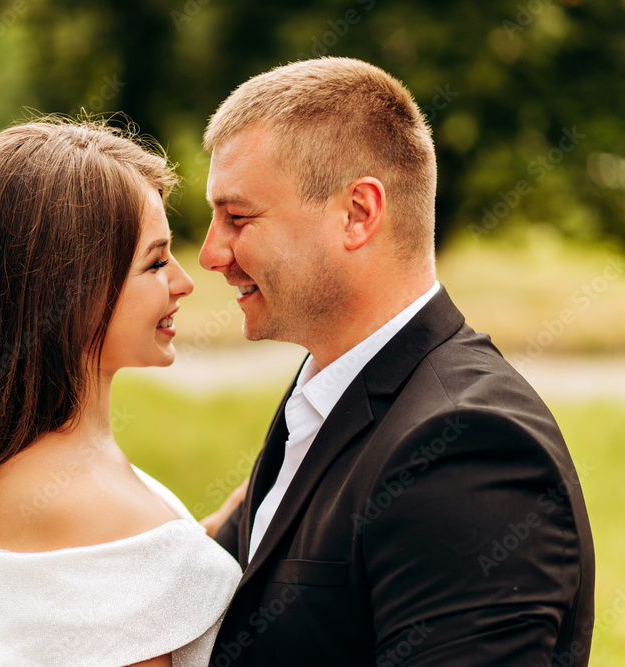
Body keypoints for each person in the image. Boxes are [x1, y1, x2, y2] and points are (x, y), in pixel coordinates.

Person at [199, 57, 595, 665]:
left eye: (238, 217)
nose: (209, 253)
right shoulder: (327, 391)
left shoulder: (466, 448)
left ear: (358, 213)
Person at [0, 117, 245, 667]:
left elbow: (127, 576)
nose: (183, 281)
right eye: (154, 261)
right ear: (69, 292)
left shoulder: (55, 466)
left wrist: (226, 521)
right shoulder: (73, 500)